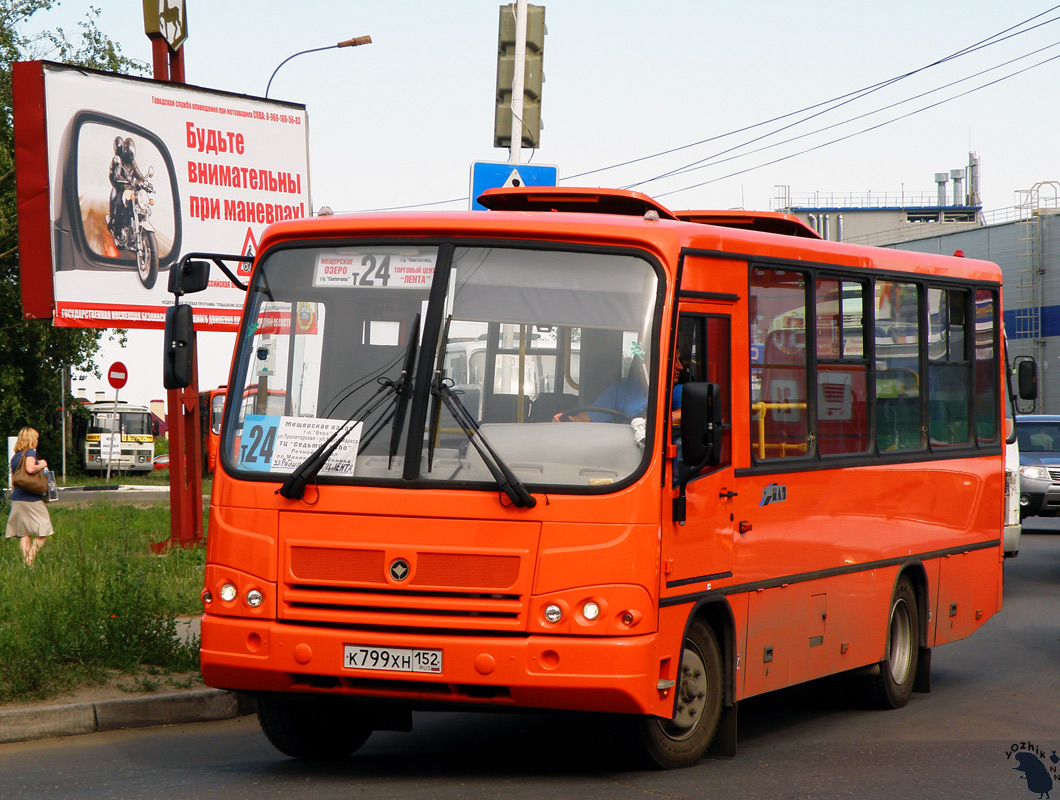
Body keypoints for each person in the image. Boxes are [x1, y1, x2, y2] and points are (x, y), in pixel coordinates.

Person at [6, 427, 54, 566]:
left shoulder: (16, 456)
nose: (37, 441)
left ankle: (26, 564)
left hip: (18, 498)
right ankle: (30, 559)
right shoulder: (30, 452)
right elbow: (30, 469)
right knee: (44, 530)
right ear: (32, 439)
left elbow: (15, 480)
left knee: (24, 533)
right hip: (31, 498)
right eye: (36, 438)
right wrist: (42, 464)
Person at [108, 136, 144, 249]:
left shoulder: (132, 163)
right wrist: (116, 181)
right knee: (119, 205)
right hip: (120, 188)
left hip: (131, 189)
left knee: (141, 205)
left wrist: (144, 181)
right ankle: (118, 230)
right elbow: (112, 174)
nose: (130, 153)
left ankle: (138, 228)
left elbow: (138, 174)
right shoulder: (118, 160)